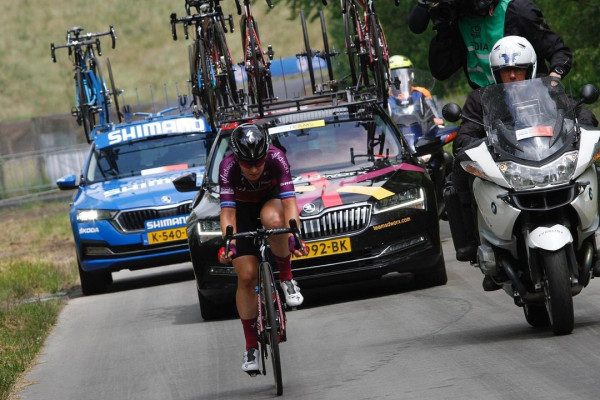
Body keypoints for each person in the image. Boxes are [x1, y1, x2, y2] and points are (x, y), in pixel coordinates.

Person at [447, 36, 598, 290]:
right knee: (458, 174)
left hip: (550, 159)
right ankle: (473, 244)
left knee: (595, 159)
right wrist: (467, 145)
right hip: (510, 166)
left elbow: (576, 111)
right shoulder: (480, 100)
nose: (514, 76)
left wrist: (585, 123)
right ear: (496, 74)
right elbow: (466, 132)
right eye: (506, 71)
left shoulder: (549, 90)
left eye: (518, 69)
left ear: (531, 68)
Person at [217, 123, 308, 375]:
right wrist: (229, 244)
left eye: (259, 161)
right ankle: (250, 347)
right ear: (236, 159)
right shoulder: (227, 168)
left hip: (272, 201)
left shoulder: (278, 158)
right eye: (248, 164)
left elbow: (290, 205)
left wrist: (294, 238)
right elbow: (228, 213)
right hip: (241, 211)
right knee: (246, 277)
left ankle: (287, 279)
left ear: (267, 153)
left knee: (275, 221)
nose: (255, 168)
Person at [425, 0, 572, 89]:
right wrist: (443, 29)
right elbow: (440, 70)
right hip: (486, 105)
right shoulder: (459, 20)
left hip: (532, 99)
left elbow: (559, 51)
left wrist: (554, 78)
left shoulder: (519, 12)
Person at [388, 55, 444, 127]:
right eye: (395, 77)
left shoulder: (421, 93)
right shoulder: (386, 98)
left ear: (411, 75)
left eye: (404, 75)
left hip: (421, 133)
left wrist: (433, 121)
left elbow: (438, 118)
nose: (400, 80)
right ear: (388, 78)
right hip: (395, 136)